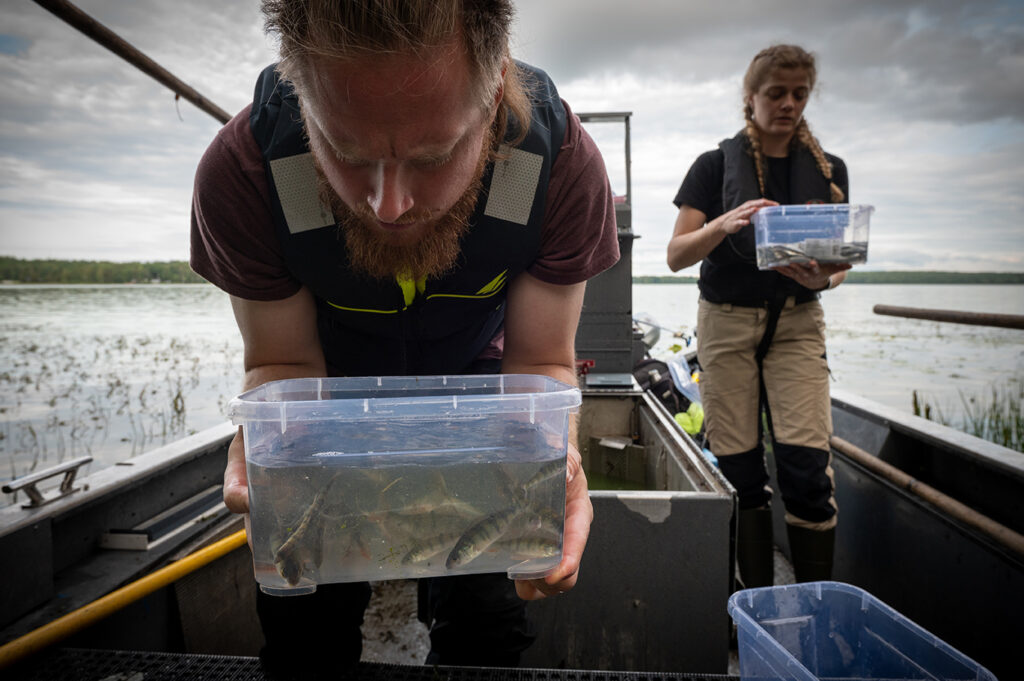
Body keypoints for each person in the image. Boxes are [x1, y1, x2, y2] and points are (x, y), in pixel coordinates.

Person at [190, 1, 618, 677]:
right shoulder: (245, 172)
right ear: (302, 99)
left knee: (488, 619)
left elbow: (540, 363)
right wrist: (271, 434)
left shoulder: (555, 167)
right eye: (346, 151)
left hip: (483, 385)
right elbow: (281, 360)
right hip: (325, 392)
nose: (389, 205)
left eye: (434, 155)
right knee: (303, 619)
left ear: (495, 89)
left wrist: (555, 459)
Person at [666, 44, 851, 589]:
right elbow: (676, 256)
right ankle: (760, 612)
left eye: (799, 94)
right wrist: (723, 224)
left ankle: (815, 611)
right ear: (751, 98)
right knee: (742, 473)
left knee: (807, 472)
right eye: (776, 93)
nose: (789, 104)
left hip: (797, 323)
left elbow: (839, 266)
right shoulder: (714, 166)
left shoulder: (830, 170)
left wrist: (825, 278)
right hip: (725, 323)